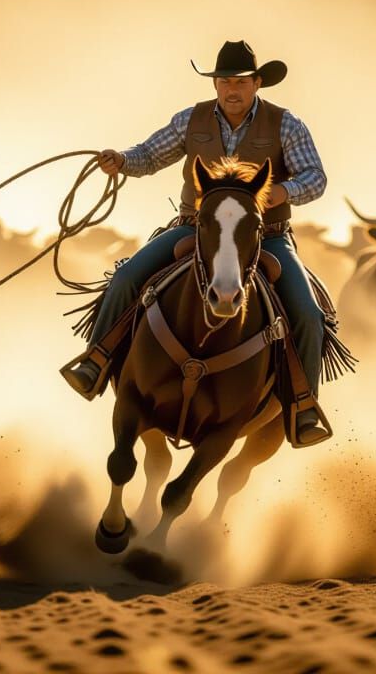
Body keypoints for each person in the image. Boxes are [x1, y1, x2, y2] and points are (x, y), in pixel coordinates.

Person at [62, 40, 330, 445]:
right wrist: (122, 160)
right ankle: (96, 362)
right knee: (126, 277)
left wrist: (285, 191)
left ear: (257, 83)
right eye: (224, 81)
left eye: (240, 81)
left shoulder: (286, 124)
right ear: (215, 85)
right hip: (195, 228)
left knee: (309, 313)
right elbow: (150, 155)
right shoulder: (191, 120)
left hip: (265, 237)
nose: (231, 89)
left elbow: (316, 176)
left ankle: (302, 406)